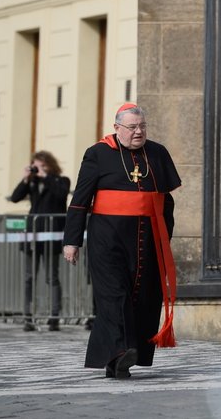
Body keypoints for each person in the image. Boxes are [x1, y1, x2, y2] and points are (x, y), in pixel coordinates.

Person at [63, 103, 180, 379]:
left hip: (147, 241)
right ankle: (119, 352)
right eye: (132, 127)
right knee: (115, 296)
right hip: (108, 239)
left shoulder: (157, 152)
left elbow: (167, 201)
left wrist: (166, 238)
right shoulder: (97, 154)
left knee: (143, 298)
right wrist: (72, 241)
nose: (138, 132)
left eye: (142, 126)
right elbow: (80, 201)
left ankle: (125, 355)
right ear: (117, 128)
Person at [8, 150, 70, 332]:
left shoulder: (61, 180)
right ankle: (28, 316)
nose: (39, 170)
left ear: (50, 165)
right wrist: (26, 179)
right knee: (29, 277)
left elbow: (61, 195)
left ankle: (54, 316)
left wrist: (46, 177)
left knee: (52, 277)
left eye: (42, 166)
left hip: (51, 235)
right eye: (36, 166)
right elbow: (15, 198)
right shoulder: (33, 183)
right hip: (33, 235)